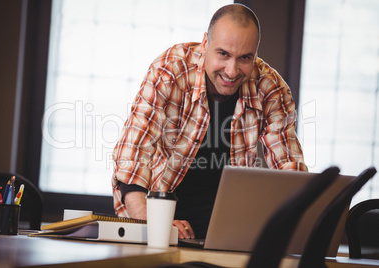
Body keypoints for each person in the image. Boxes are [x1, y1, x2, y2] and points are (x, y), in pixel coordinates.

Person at [111, 4, 308, 240]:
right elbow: (133, 153)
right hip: (158, 215)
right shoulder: (170, 70)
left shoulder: (270, 87)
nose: (232, 71)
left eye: (245, 57)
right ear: (205, 44)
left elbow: (289, 169)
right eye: (223, 54)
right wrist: (153, 223)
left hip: (228, 227)